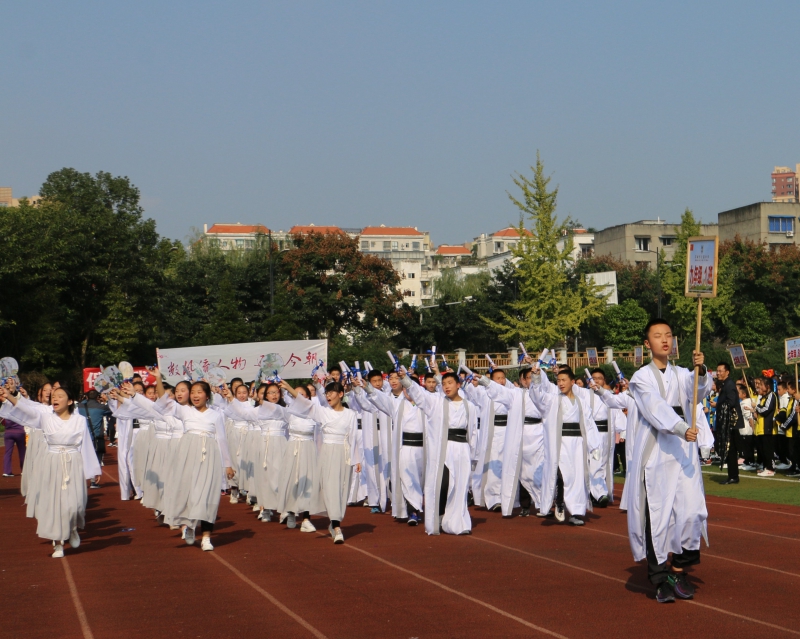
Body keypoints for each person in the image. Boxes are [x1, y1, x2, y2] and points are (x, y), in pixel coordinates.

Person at [627, 318, 713, 604]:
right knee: (658, 514)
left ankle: (678, 569)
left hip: (684, 451)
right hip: (658, 452)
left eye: (668, 335)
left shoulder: (683, 373)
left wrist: (701, 372)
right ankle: (660, 578)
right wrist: (679, 427)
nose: (664, 340)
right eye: (657, 335)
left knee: (691, 511)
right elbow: (655, 408)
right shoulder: (641, 377)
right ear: (647, 343)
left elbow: (698, 393)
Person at [0, 384, 101, 557]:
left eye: (60, 396)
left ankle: (74, 528)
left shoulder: (79, 420)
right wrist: (9, 396)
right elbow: (27, 410)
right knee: (54, 504)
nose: (55, 398)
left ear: (70, 401)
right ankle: (58, 544)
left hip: (73, 462)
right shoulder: (45, 418)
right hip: (52, 462)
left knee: (75, 505)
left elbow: (86, 445)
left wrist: (93, 469)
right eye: (54, 396)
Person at [152, 371, 234, 551]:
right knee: (189, 493)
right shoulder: (184, 410)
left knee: (208, 496)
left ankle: (206, 536)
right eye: (193, 392)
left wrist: (227, 464)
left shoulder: (216, 415)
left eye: (199, 392)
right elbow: (164, 402)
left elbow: (222, 439)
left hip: (209, 456)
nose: (196, 395)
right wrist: (158, 378)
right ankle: (189, 526)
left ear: (207, 395)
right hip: (187, 455)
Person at [399, 368, 479, 535]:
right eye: (443, 384)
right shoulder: (436, 403)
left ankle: (458, 522)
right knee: (442, 485)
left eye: (450, 383)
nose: (446, 387)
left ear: (458, 385)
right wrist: (406, 381)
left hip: (462, 449)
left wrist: (472, 454)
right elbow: (420, 396)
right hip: (444, 449)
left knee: (460, 486)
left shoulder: (469, 406)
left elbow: (472, 431)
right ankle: (440, 516)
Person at [284, 380, 362, 544]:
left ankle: (335, 521)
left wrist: (357, 459)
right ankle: (336, 526)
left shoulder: (350, 414)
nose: (328, 396)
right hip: (327, 452)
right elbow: (304, 403)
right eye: (326, 393)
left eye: (332, 392)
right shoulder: (322, 411)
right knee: (329, 487)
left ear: (341, 394)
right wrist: (289, 388)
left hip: (344, 453)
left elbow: (354, 438)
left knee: (342, 490)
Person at [530, 365, 602, 526]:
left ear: (572, 382)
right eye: (558, 381)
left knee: (577, 478)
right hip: (560, 444)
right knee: (562, 475)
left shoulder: (582, 402)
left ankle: (576, 511)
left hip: (577, 444)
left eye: (564, 380)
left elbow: (589, 425)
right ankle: (560, 503)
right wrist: (535, 379)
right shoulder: (552, 400)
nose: (561, 383)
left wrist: (594, 446)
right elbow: (537, 397)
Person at [356, 371, 425, 525]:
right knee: (406, 479)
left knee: (418, 481)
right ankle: (411, 511)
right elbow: (380, 400)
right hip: (404, 448)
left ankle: (415, 507)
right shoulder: (397, 405)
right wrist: (367, 387)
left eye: (412, 389)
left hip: (422, 450)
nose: (408, 393)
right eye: (406, 389)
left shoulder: (426, 406)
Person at [715, 362, 743, 485]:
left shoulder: (730, 384)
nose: (718, 373)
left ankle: (733, 476)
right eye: (717, 371)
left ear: (727, 372)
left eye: (720, 371)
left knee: (731, 449)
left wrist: (720, 405)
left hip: (731, 423)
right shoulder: (725, 384)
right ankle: (732, 475)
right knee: (729, 449)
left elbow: (731, 402)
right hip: (728, 422)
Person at [78, 389, 112, 485]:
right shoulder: (101, 407)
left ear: (87, 396)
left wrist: (85, 400)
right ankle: (94, 481)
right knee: (97, 458)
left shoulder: (80, 406)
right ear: (98, 397)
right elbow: (113, 410)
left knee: (83, 458)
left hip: (83, 437)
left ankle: (82, 480)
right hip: (96, 437)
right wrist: (107, 399)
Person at [2, 378, 26, 477]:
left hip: (8, 431)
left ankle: (6, 471)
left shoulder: (4, 399)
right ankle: (24, 470)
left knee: (7, 452)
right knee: (22, 452)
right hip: (19, 431)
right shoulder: (19, 400)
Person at [753, 377, 777, 477]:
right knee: (763, 449)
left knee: (768, 449)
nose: (759, 387)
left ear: (767, 386)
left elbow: (766, 410)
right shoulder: (763, 397)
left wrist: (756, 407)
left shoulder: (771, 395)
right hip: (761, 427)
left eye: (761, 385)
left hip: (768, 427)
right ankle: (765, 467)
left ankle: (770, 468)